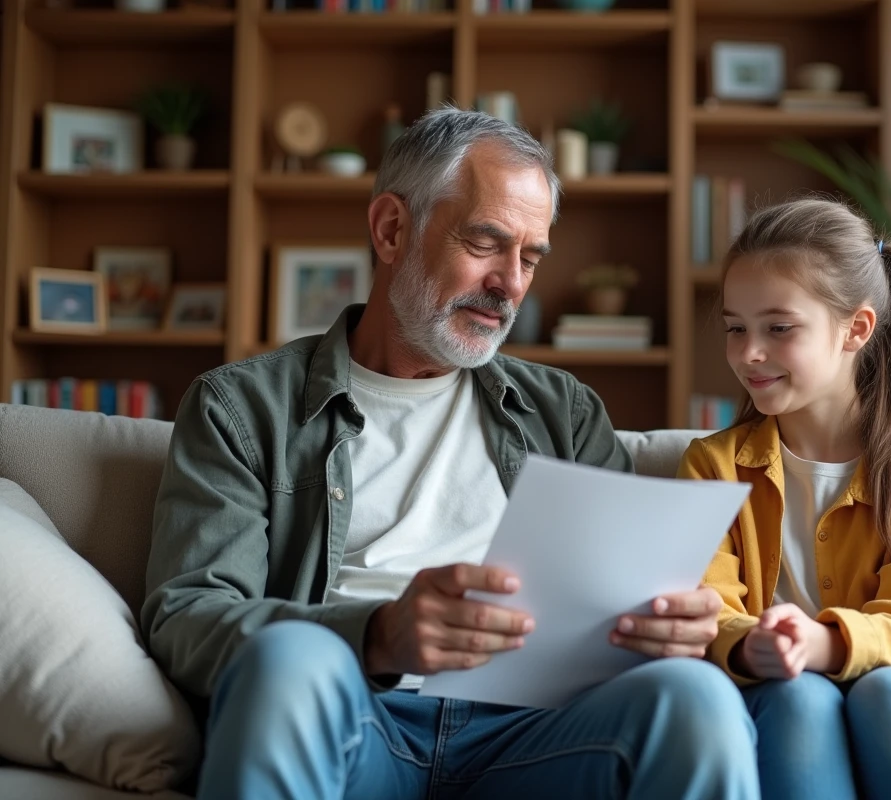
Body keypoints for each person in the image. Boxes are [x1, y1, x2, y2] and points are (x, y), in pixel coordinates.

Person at [142, 108, 759, 800]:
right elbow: (187, 617)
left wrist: (672, 626)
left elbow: (625, 602)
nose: (511, 284)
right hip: (355, 719)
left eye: (530, 257)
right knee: (287, 659)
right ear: (391, 229)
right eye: (486, 242)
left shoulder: (565, 412)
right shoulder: (241, 409)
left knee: (693, 696)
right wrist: (376, 635)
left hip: (534, 736)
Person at [678, 197, 891, 799]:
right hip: (783, 699)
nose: (749, 351)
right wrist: (755, 645)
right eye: (735, 327)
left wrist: (821, 641)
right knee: (797, 694)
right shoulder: (712, 466)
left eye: (778, 328)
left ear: (856, 329)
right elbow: (706, 608)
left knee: (884, 692)